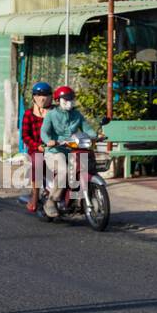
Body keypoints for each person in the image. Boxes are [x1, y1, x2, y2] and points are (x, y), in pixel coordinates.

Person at [40, 86, 98, 218]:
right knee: (64, 171)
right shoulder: (51, 115)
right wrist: (49, 140)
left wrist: (95, 135)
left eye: (71, 99)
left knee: (83, 169)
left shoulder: (77, 115)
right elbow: (44, 132)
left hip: (73, 150)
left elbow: (87, 129)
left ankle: (78, 197)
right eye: (65, 99)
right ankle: (51, 200)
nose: (69, 102)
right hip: (55, 150)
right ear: (58, 100)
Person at [21, 82, 52, 213]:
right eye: (38, 95)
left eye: (45, 95)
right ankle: (34, 196)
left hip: (54, 147)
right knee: (38, 163)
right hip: (36, 149)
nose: (42, 98)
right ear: (33, 97)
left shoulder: (55, 112)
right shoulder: (29, 114)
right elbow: (25, 136)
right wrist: (37, 146)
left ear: (50, 96)